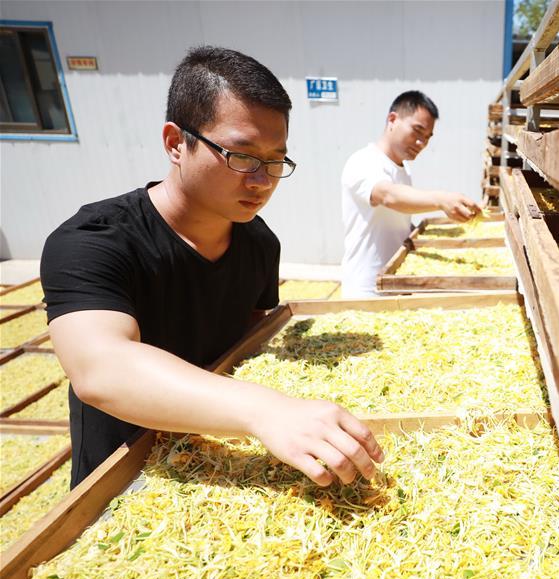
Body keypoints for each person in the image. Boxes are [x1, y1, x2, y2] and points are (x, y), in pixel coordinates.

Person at [41, 46, 383, 489]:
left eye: (275, 161)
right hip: (131, 482)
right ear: (174, 143)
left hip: (227, 471)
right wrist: (265, 411)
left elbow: (250, 350)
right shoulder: (94, 240)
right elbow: (100, 369)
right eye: (241, 156)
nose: (261, 181)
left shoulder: (259, 243)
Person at [340, 91, 482, 297]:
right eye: (417, 131)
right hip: (367, 290)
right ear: (393, 119)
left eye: (427, 137)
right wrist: (441, 200)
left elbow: (396, 221)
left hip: (396, 284)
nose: (421, 143)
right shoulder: (363, 161)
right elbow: (387, 195)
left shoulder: (403, 169)